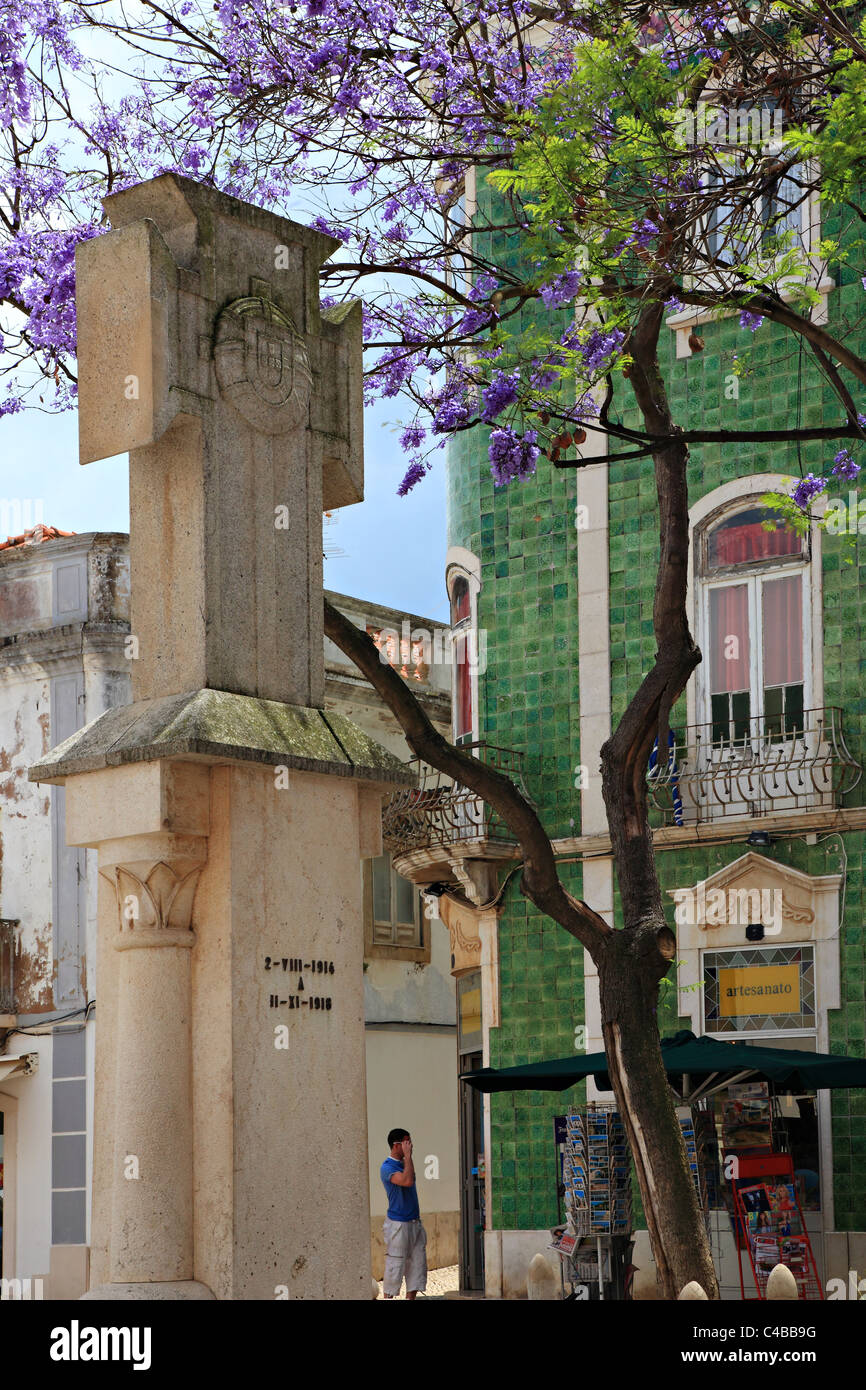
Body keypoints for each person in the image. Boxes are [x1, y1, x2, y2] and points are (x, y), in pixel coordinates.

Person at [380, 1128, 427, 1300]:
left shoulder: (406, 1164)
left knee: (417, 1265)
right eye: (406, 1142)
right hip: (398, 1225)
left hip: (414, 1223)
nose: (410, 1145)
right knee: (395, 1265)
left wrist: (408, 1159)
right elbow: (407, 1181)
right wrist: (408, 1157)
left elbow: (410, 1177)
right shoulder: (387, 1168)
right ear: (396, 1145)